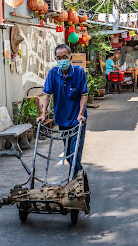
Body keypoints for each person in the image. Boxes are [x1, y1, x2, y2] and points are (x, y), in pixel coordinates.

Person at [37, 44, 88, 177]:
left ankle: (76, 180)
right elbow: (47, 94)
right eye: (59, 57)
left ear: (70, 57)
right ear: (56, 59)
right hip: (62, 119)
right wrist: (43, 114)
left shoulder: (79, 72)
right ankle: (80, 175)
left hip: (77, 120)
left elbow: (84, 94)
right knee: (67, 155)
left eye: (65, 57)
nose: (62, 60)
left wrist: (81, 114)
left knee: (74, 154)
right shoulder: (53, 73)